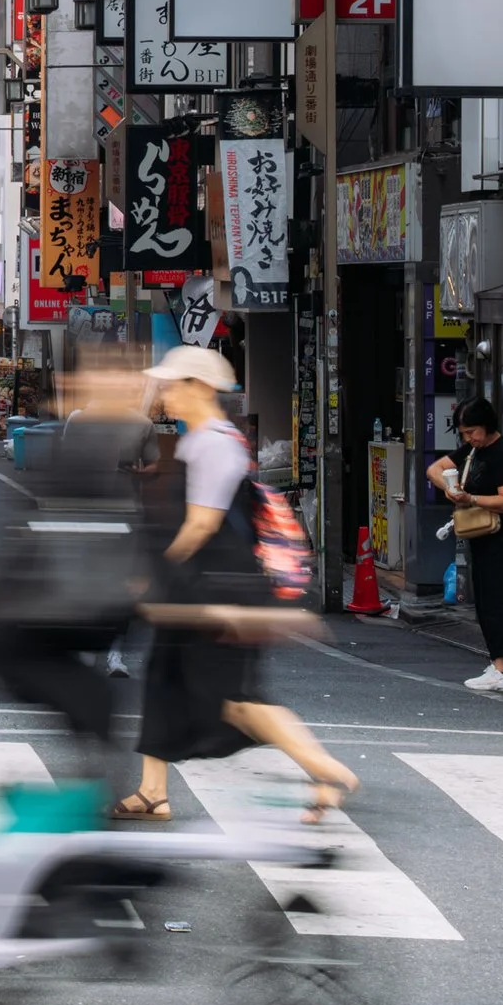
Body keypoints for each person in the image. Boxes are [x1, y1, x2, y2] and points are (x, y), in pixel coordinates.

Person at [113, 346, 359, 823]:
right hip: (197, 588)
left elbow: (201, 524)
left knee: (236, 703)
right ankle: (152, 791)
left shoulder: (214, 444)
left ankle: (326, 771)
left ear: (198, 388)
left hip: (220, 592)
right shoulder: (200, 439)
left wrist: (155, 572)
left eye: (170, 383)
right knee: (163, 681)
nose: (162, 392)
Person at [428, 397, 503, 692]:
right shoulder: (472, 450)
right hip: (480, 536)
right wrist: (451, 488)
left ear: (486, 425)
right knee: (484, 600)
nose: (469, 438)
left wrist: (469, 498)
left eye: (472, 432)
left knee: (495, 600)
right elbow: (434, 469)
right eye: (464, 434)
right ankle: (497, 664)